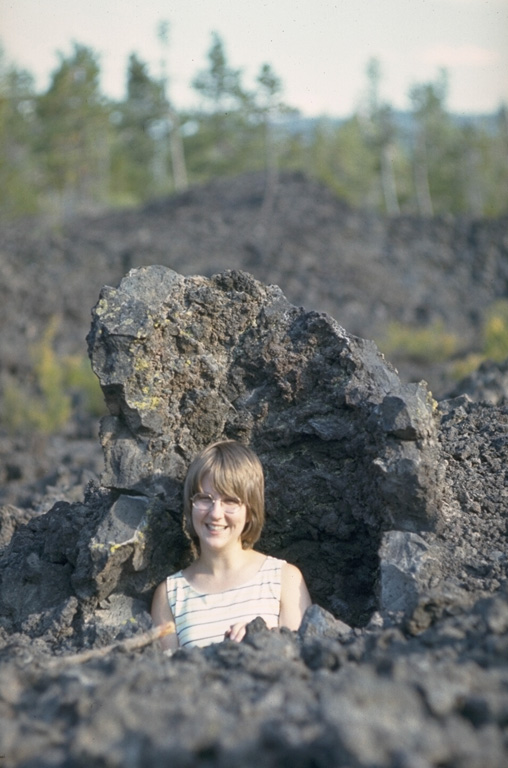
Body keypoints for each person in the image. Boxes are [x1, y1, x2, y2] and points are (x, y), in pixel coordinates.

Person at [151, 439, 312, 651]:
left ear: (250, 511)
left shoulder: (285, 579)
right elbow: (164, 677)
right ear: (190, 505)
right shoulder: (170, 595)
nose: (215, 513)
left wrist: (262, 637)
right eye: (204, 499)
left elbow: (306, 668)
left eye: (230, 501)